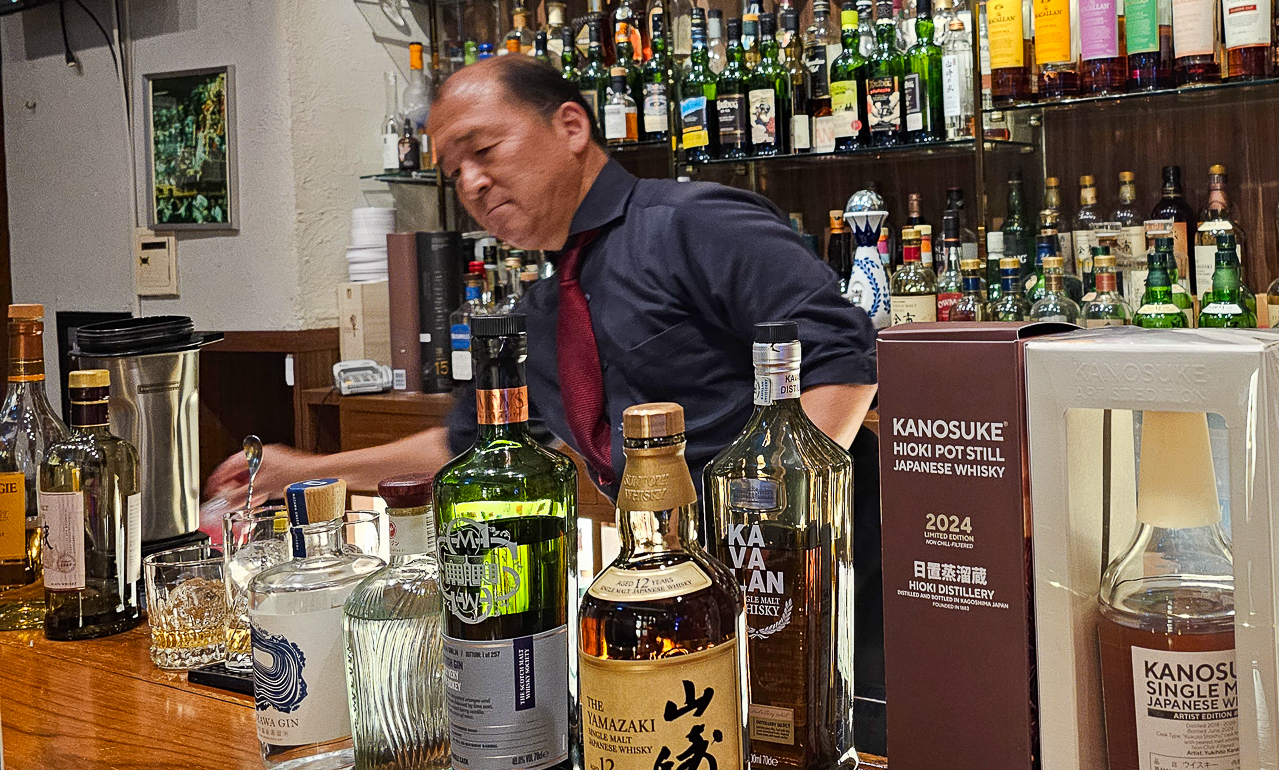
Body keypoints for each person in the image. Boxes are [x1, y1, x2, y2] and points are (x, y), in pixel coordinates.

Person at [205, 54, 877, 510]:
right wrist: (305, 472)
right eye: (453, 172)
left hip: (823, 563)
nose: (470, 182)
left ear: (571, 126)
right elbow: (463, 445)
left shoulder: (691, 222)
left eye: (483, 150)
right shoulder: (545, 310)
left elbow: (842, 358)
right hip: (678, 575)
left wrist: (773, 524)